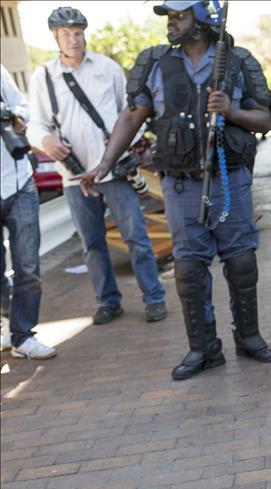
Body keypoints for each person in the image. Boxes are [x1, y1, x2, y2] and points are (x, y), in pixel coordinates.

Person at [78, 0, 271, 380]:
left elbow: (265, 118)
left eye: (179, 16)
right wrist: (104, 165)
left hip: (229, 180)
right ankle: (203, 349)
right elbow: (131, 116)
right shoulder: (155, 63)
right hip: (181, 185)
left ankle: (249, 337)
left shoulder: (237, 61)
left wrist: (231, 112)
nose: (171, 22)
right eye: (169, 16)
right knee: (188, 268)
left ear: (202, 20)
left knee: (241, 262)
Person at [27, 6, 167, 325]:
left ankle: (154, 297)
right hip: (75, 175)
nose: (73, 40)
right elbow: (35, 124)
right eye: (66, 34)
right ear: (55, 38)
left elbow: (130, 113)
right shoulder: (43, 76)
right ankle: (108, 301)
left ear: (84, 34)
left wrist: (125, 147)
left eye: (78, 33)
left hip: (115, 169)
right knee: (92, 244)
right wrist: (46, 142)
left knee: (136, 236)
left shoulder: (107, 68)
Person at [0, 65, 56, 360]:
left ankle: (23, 336)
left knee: (29, 268)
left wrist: (16, 116)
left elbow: (23, 106)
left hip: (18, 182)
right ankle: (8, 323)